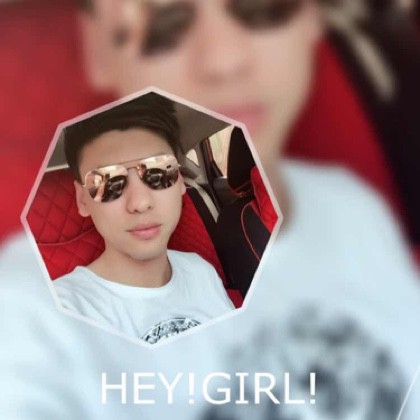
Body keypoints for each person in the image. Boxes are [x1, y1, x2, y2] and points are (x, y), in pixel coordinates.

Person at [74, 1, 420, 418]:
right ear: (98, 50)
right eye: (163, 26)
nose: (225, 62)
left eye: (263, 9)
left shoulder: (355, 208)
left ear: (312, 17)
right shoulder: (41, 317)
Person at [53, 92, 234, 344]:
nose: (140, 203)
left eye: (158, 171)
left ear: (180, 180)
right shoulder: (60, 312)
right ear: (82, 199)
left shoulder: (201, 271)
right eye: (108, 182)